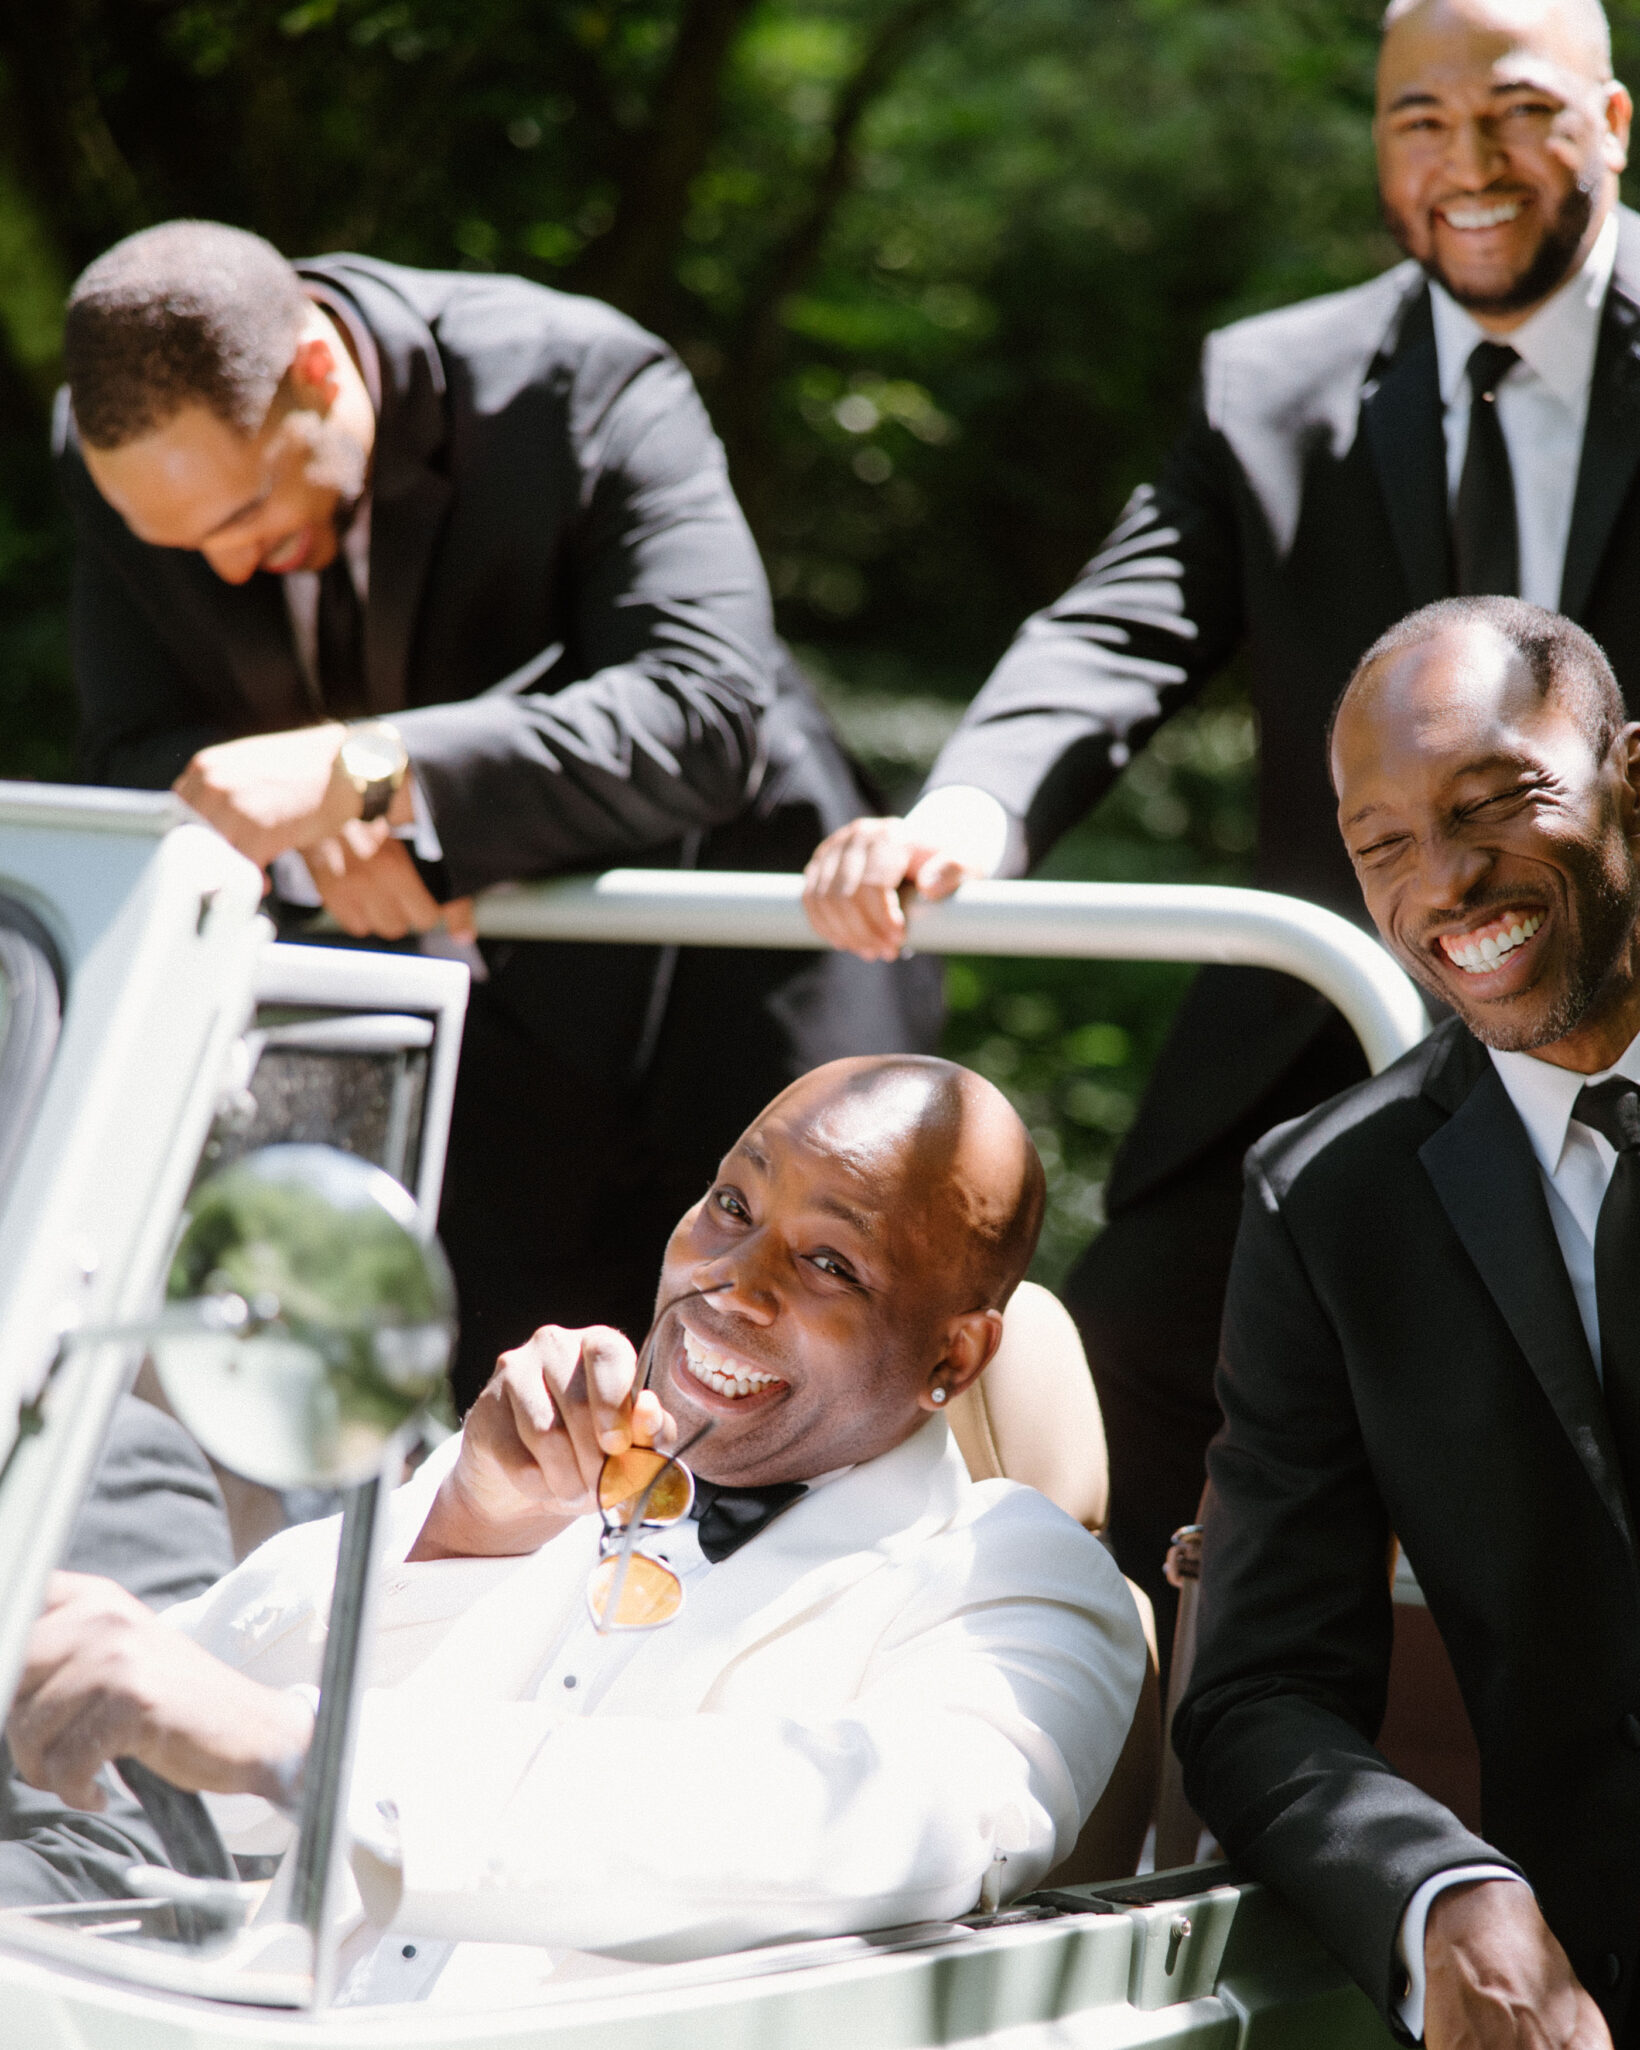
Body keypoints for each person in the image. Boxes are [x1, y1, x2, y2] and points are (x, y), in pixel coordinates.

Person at [801, 0, 1640, 1664]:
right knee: (1130, 1367)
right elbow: (1120, 628)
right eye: (1417, 120)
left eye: (1516, 112)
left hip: (1623, 1007)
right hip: (1344, 1012)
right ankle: (1146, 1794)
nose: (1464, 165)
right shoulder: (1276, 382)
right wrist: (969, 808)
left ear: (1613, 119)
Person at [8, 1055, 1146, 1998]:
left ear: (953, 1356)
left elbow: (865, 1821)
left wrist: (308, 1750)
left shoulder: (1021, 1579)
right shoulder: (550, 1448)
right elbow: (153, 1779)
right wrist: (461, 1531)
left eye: (829, 1264)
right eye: (731, 1206)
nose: (729, 1283)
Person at [58, 221, 941, 1406]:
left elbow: (702, 708)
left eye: (246, 509)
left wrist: (367, 774)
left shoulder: (577, 379)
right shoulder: (110, 460)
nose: (223, 568)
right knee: (525, 1416)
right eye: (180, 540)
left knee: (792, 1398)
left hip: (735, 960)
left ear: (320, 371)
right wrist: (336, 839)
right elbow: (138, 757)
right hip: (482, 1017)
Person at [1173, 597, 1640, 2050]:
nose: (1446, 882)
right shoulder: (1329, 1202)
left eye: (1496, 803)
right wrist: (1441, 1890)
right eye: (1383, 846)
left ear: (1631, 776)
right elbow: (1259, 1686)